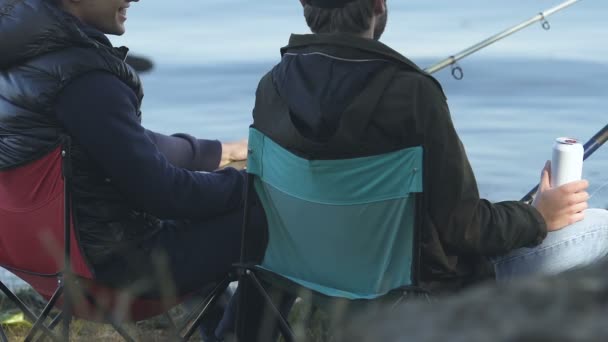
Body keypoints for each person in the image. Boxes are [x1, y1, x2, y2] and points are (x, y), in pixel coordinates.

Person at [247, 0, 608, 293]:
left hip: (313, 278)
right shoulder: (412, 95)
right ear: (378, 5)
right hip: (420, 293)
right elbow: (465, 229)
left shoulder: (272, 88)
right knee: (602, 229)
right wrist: (538, 216)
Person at [0, 0, 264, 325]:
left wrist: (211, 153)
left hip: (43, 269)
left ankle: (221, 325)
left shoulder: (20, 63)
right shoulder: (85, 78)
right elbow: (167, 195)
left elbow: (124, 145)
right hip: (113, 279)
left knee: (204, 213)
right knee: (267, 218)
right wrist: (256, 184)